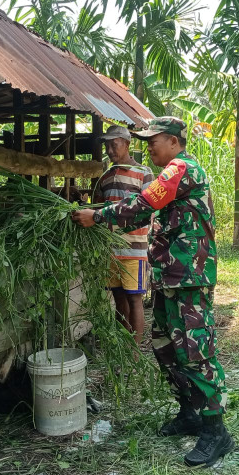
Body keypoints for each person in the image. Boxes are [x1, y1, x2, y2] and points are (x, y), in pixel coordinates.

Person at [73, 116, 233, 467]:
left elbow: (142, 205)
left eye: (153, 139)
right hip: (170, 277)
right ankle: (189, 413)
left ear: (174, 141)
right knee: (165, 347)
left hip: (188, 276)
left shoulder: (180, 168)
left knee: (195, 352)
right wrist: (98, 211)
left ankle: (216, 431)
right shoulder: (171, 171)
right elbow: (141, 212)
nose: (148, 145)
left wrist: (97, 217)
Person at [92, 125, 154, 345]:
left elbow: (148, 209)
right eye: (107, 146)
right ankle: (123, 344)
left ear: (127, 144)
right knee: (118, 297)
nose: (109, 150)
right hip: (110, 250)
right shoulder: (106, 177)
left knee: (134, 299)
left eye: (114, 144)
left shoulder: (144, 173)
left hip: (133, 249)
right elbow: (97, 208)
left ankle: (135, 350)